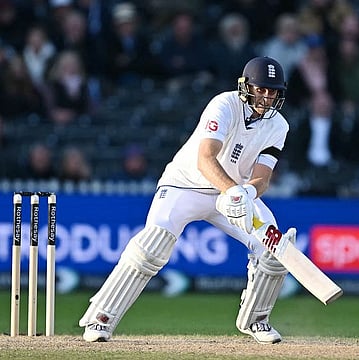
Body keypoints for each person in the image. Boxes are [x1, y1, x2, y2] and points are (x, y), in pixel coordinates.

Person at [78, 56, 296, 344]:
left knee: (271, 246)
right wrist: (233, 191)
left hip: (233, 195)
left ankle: (256, 320)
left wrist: (248, 193)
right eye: (261, 89)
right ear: (246, 87)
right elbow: (205, 158)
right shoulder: (224, 105)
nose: (266, 97)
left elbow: (263, 176)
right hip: (184, 186)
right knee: (151, 246)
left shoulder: (278, 125)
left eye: (272, 92)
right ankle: (101, 318)